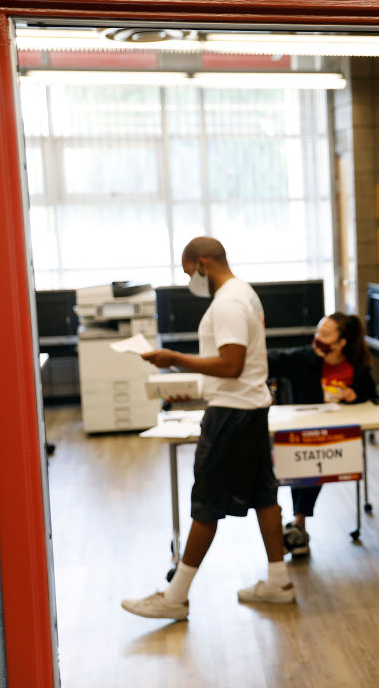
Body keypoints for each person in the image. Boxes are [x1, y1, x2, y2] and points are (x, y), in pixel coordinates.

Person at [121, 236, 294, 620]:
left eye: (189, 272)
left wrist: (173, 359)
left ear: (202, 263)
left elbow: (231, 364)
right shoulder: (243, 293)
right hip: (250, 409)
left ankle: (175, 598)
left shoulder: (229, 303)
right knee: (264, 495)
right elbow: (238, 368)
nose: (190, 280)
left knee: (206, 503)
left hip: (231, 417)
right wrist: (195, 387)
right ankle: (279, 581)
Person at [267, 313, 376, 556]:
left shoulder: (355, 365)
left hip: (339, 436)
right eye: (318, 333)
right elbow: (271, 361)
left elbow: (369, 391)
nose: (318, 339)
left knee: (312, 461)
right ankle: (298, 525)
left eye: (325, 335)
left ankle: (298, 527)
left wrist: (354, 393)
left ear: (341, 342)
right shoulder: (302, 359)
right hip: (305, 434)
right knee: (306, 458)